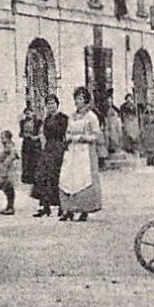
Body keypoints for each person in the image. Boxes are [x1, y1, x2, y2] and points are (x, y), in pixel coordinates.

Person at [59, 86, 103, 222]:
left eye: (80, 98)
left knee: (83, 179)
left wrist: (82, 138)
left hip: (85, 152)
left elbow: (97, 135)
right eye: (76, 98)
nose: (77, 101)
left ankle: (84, 210)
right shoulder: (72, 116)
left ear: (86, 101)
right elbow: (67, 131)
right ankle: (69, 209)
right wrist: (68, 137)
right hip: (72, 151)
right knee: (67, 178)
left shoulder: (91, 117)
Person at [31, 95, 68, 217]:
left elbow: (65, 134)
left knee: (56, 176)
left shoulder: (63, 118)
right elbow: (44, 134)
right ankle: (45, 206)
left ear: (57, 104)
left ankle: (62, 207)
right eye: (48, 104)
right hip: (48, 148)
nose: (51, 106)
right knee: (43, 176)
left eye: (52, 103)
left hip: (58, 148)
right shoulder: (46, 119)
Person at [0, 130, 19, 215]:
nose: (1, 140)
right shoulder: (6, 146)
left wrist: (5, 163)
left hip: (9, 170)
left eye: (3, 138)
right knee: (6, 188)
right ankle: (9, 206)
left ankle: (10, 207)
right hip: (5, 169)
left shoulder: (10, 146)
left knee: (9, 188)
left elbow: (13, 155)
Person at [18, 106, 42, 187]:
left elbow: (41, 132)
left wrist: (36, 137)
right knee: (26, 160)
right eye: (26, 114)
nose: (28, 115)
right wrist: (25, 135)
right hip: (26, 142)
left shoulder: (38, 122)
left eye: (29, 113)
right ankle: (27, 179)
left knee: (35, 159)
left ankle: (35, 178)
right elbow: (20, 133)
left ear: (32, 113)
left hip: (35, 143)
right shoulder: (22, 122)